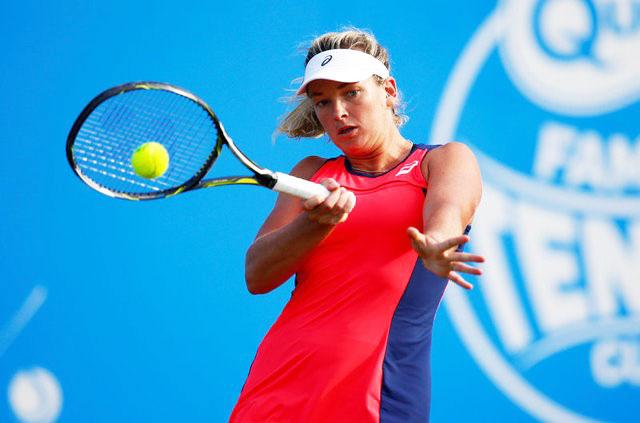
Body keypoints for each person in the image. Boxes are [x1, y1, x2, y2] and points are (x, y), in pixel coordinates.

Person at [229, 29, 484, 422]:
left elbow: (448, 212)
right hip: (278, 384)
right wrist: (315, 225)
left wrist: (436, 243)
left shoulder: (442, 161)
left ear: (389, 90)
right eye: (323, 102)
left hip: (378, 392)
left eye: (351, 93)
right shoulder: (310, 174)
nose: (338, 112)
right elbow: (257, 274)